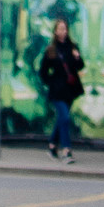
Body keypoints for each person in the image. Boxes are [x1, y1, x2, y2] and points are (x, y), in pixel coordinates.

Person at [39, 15, 85, 162]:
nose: (63, 31)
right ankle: (66, 150)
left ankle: (52, 146)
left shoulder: (73, 47)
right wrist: (51, 83)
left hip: (70, 90)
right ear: (55, 31)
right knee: (65, 117)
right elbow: (43, 72)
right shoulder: (51, 50)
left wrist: (77, 57)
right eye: (60, 29)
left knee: (61, 120)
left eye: (65, 29)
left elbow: (80, 67)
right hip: (57, 91)